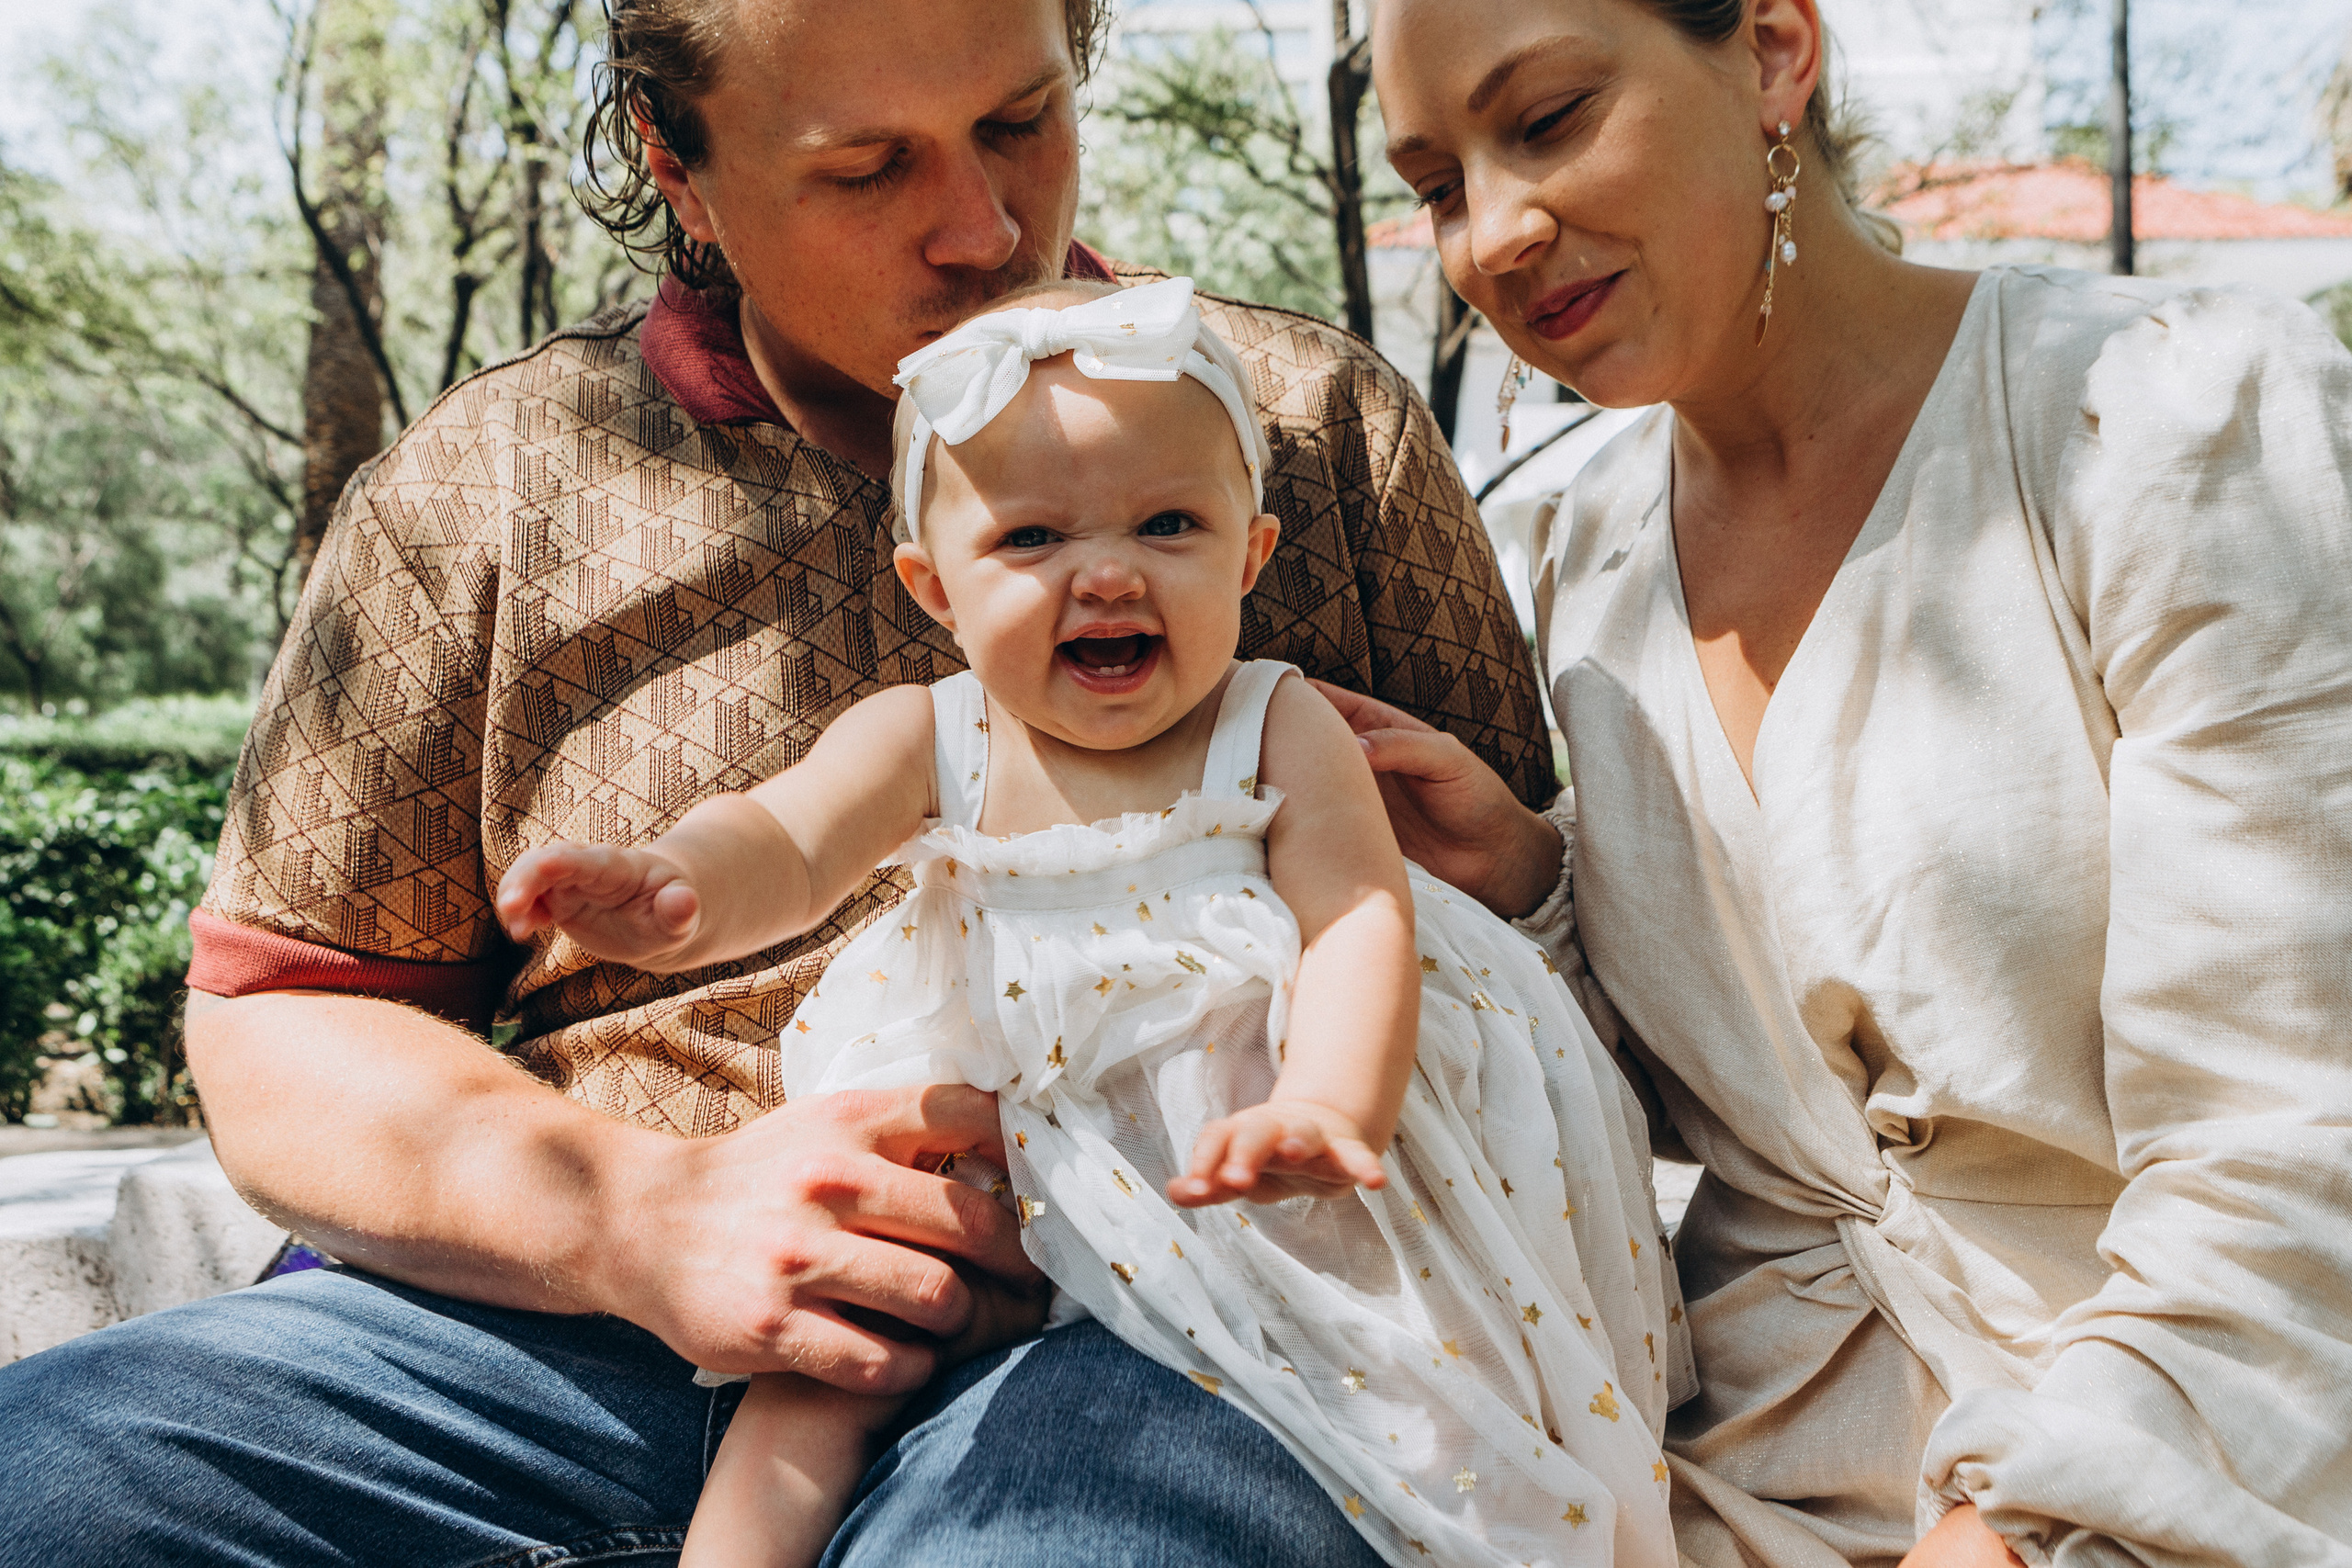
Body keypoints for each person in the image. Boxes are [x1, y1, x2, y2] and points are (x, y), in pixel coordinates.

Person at [0, 3, 1553, 1564]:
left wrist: (1513, 895)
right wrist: (633, 1218)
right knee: (45, 1484)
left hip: (1174, 1322)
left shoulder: (1308, 426)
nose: (988, 230)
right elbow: (283, 1008)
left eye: (1023, 123)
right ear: (677, 163)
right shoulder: (487, 484)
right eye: (868, 167)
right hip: (569, 1350)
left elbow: (1551, 945)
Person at [1348, 1, 2352, 1566]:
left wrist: (2027, 1525)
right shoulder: (1570, 563)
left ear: (1770, 50)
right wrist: (1534, 902)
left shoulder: (2166, 420)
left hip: (2195, 1461)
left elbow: (2294, 1134)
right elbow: (1702, 1119)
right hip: (1718, 1491)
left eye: (1544, 121)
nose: (1494, 233)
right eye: (1433, 183)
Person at [496, 276, 1690, 1568]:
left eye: (1167, 523)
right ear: (935, 585)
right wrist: (675, 893)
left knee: (1379, 1395)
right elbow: (785, 839)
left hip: (1233, 1177)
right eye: (1031, 541)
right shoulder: (928, 734)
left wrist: (1331, 1102)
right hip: (999, 1153)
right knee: (826, 1369)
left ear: (1250, 555)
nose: (1107, 572)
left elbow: (1356, 919)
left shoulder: (1274, 722)